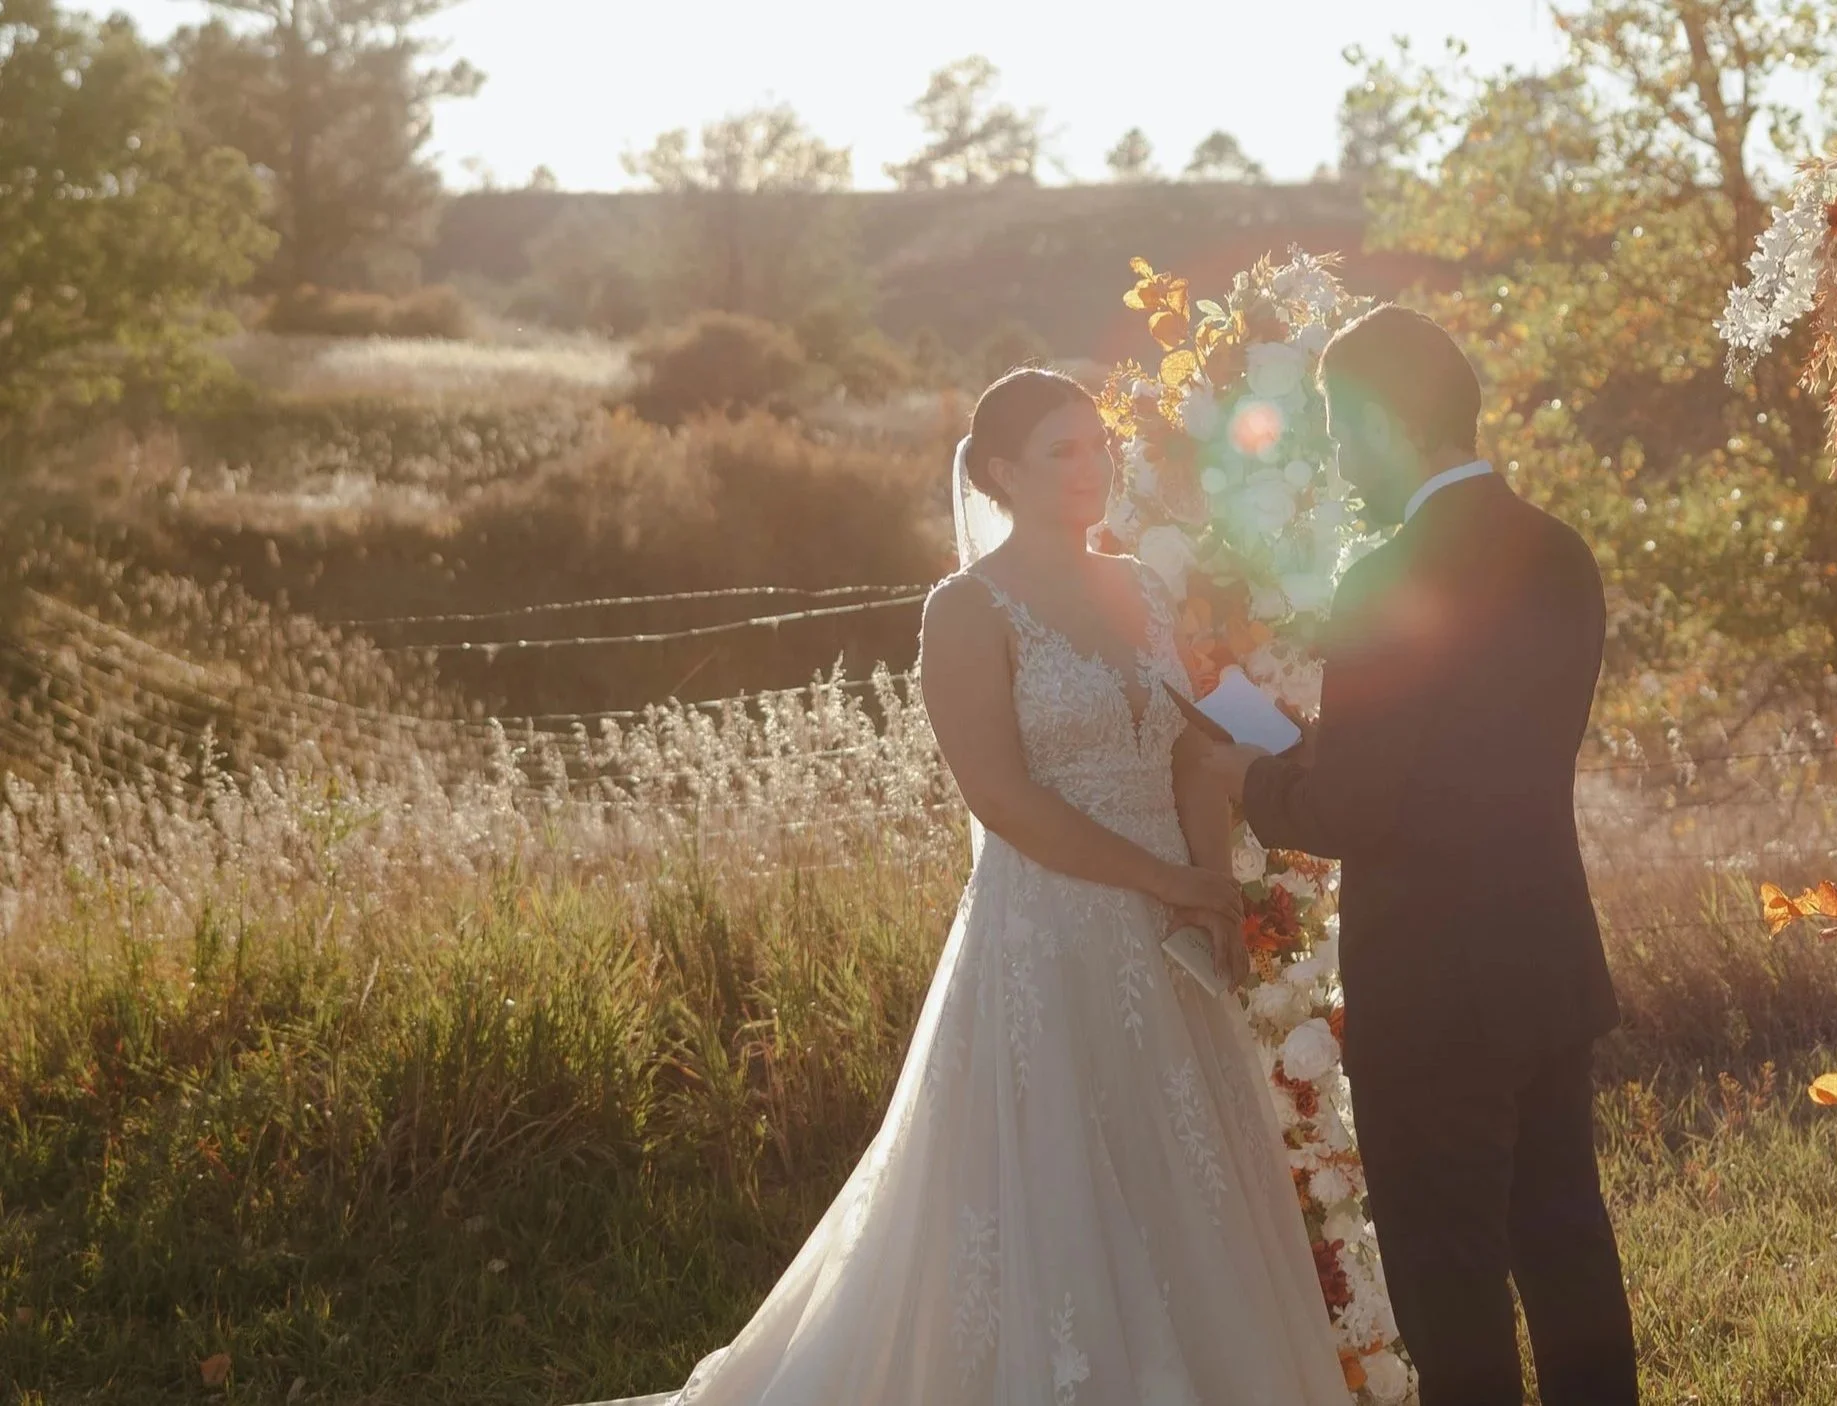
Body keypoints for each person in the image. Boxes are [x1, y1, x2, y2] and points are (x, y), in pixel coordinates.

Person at [627, 368, 1352, 1406]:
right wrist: (1161, 879)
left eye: (1098, 444)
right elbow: (1001, 796)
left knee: (1180, 1172)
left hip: (1168, 926)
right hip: (1050, 930)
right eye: (1063, 450)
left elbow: (1190, 753)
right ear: (1002, 472)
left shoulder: (1139, 585)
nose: (1091, 466)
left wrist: (1206, 884)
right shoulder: (967, 608)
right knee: (1058, 1176)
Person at [1202, 306, 1639, 1406]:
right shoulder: (1561, 549)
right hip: (1542, 955)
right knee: (1566, 1247)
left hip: (1433, 991)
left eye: (1343, 429)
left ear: (1389, 423)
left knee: (1450, 1283)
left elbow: (1356, 807)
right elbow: (1462, 758)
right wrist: (1316, 753)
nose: (1340, 459)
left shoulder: (1384, 576)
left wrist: (1247, 777)